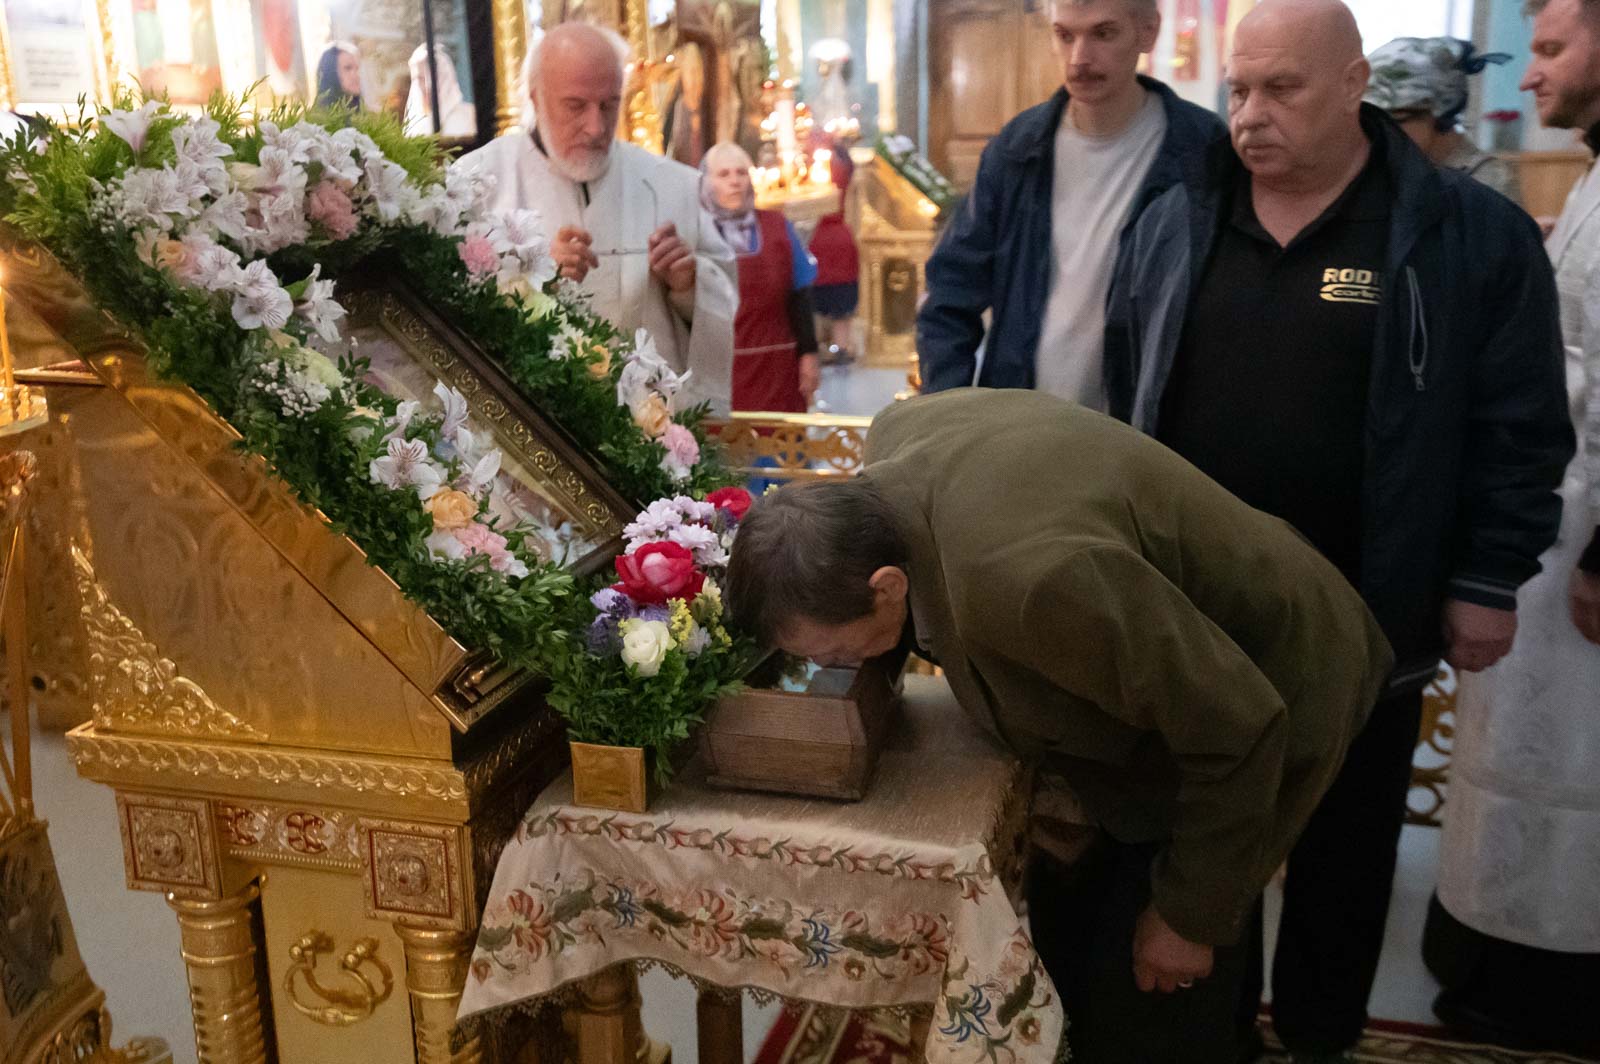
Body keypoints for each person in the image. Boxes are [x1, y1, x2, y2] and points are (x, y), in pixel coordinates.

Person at [1104, 2, 1574, 1060]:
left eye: (1282, 89)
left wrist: (1487, 576)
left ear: (1356, 85)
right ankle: (1210, 1038)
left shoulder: (1462, 234)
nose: (1250, 115)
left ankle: (1320, 1038)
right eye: (1238, 90)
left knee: (1345, 857)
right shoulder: (1174, 218)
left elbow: (1520, 422)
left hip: (1370, 611)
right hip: (1198, 618)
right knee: (1199, 843)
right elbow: (1124, 390)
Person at [725, 388, 1395, 1064]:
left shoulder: (1031, 583)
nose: (835, 667)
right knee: (1079, 963)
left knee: (1152, 1010)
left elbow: (1237, 729)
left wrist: (1186, 917)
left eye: (836, 652)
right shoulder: (891, 458)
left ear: (888, 587)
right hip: (1170, 690)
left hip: (1275, 679)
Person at [1421, 0, 1600, 1054]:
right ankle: (1496, 959)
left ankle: (1552, 978)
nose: (1529, 76)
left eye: (1551, 48)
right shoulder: (1588, 175)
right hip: (1547, 527)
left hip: (1585, 550)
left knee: (1575, 766)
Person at [916, 0, 1225, 406]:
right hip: (1023, 414)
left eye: (1103, 33)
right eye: (1065, 35)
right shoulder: (1017, 150)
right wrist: (950, 409)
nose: (1079, 58)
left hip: (1139, 425)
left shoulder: (1202, 149)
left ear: (1147, 32)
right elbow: (950, 293)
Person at [460, 23, 737, 413]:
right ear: (536, 98)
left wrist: (689, 286)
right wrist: (529, 275)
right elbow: (445, 312)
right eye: (576, 106)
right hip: (525, 425)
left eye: (609, 105)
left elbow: (724, 301)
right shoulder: (475, 185)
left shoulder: (673, 187)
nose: (596, 127)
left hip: (649, 427)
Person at [700, 142, 820, 413]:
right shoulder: (695, 231)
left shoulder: (778, 226)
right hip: (717, 371)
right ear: (706, 182)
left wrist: (809, 354)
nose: (735, 181)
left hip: (778, 366)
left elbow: (800, 296)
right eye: (724, 174)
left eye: (741, 173)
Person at [1364, 36, 1521, 202]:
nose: (1381, 133)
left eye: (1397, 120)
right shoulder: (1388, 172)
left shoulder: (1490, 183)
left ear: (1443, 111)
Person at [808, 148, 859, 365]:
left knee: (815, 302)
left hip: (816, 237)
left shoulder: (811, 171)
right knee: (842, 305)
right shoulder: (843, 170)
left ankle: (817, 347)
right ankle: (841, 348)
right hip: (840, 239)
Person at [404, 43, 476, 139]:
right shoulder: (414, 125)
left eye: (433, 79)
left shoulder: (470, 116)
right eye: (420, 79)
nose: (427, 86)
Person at [314, 42, 363, 111]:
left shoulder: (364, 113)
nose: (356, 75)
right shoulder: (319, 116)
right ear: (331, 73)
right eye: (348, 68)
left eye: (357, 69)